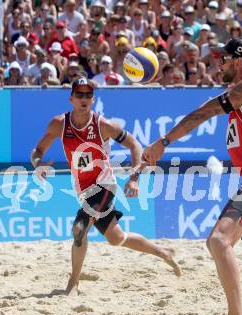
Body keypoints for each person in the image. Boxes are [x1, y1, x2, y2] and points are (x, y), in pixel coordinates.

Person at [143, 38, 242, 315]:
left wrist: (164, 141)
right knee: (220, 244)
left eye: (221, 60)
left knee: (219, 241)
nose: (217, 65)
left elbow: (203, 112)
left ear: (237, 59)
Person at [31, 77, 181, 296]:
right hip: (83, 189)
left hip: (104, 185)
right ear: (71, 98)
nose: (84, 98)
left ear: (93, 99)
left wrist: (134, 176)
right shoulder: (59, 124)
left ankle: (73, 284)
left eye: (88, 95)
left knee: (79, 229)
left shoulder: (102, 124)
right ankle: (163, 252)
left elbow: (134, 144)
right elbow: (37, 152)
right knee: (116, 238)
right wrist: (38, 165)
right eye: (79, 94)